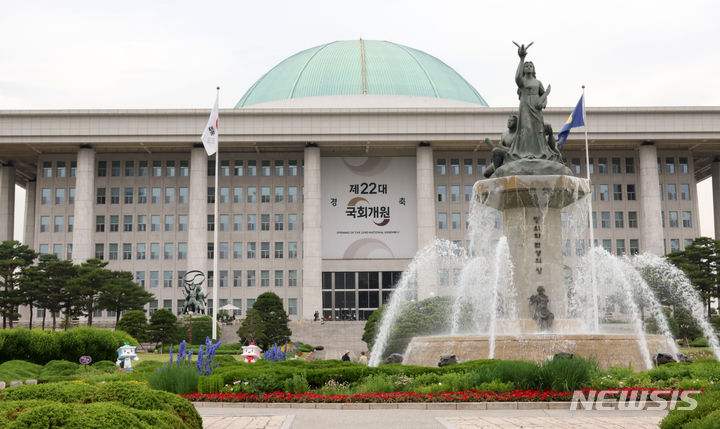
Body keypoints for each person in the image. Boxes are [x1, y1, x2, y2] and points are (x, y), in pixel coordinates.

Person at [506, 42, 559, 162]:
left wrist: (543, 103)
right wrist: (522, 58)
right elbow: (516, 78)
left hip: (537, 109)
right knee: (526, 129)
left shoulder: (538, 82)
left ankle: (539, 152)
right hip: (525, 107)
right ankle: (525, 153)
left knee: (538, 129)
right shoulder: (522, 81)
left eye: (531, 66)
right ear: (523, 69)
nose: (528, 67)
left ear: (534, 69)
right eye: (526, 66)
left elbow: (544, 95)